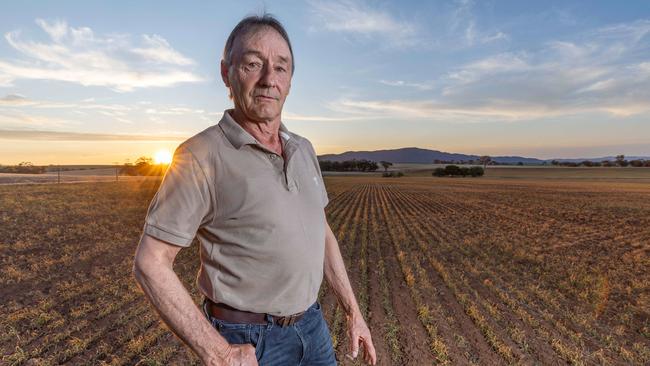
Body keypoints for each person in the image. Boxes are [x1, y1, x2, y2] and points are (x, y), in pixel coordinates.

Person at [133, 13, 377, 366]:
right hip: (248, 342)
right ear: (226, 74)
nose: (268, 80)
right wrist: (218, 353)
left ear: (290, 80)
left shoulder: (303, 149)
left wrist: (354, 313)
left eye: (281, 67)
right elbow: (150, 262)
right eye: (253, 64)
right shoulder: (201, 155)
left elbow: (321, 233)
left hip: (312, 327)